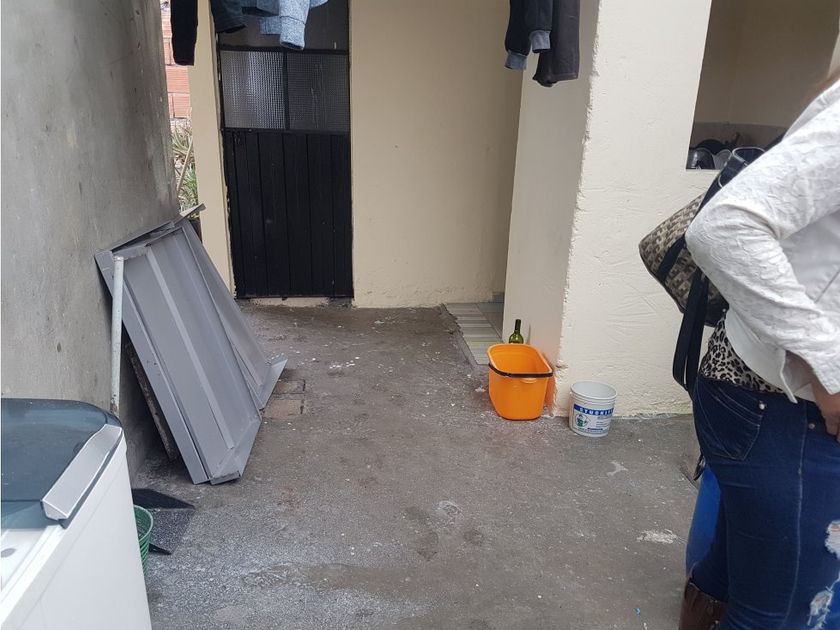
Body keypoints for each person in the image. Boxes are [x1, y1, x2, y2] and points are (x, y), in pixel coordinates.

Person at [682, 71, 840, 629]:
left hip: (760, 393)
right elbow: (722, 229)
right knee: (778, 615)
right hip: (788, 407)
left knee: (735, 575)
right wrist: (830, 368)